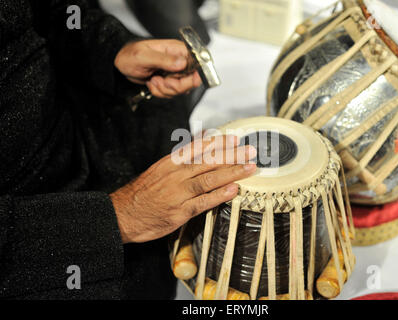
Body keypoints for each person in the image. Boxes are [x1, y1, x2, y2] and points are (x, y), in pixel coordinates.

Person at [0, 0, 256, 299]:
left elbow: (54, 11)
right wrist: (117, 218)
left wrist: (112, 49)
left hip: (67, 122)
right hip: (28, 235)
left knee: (164, 115)